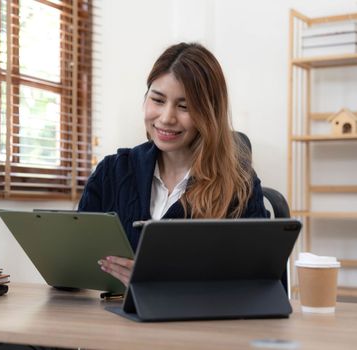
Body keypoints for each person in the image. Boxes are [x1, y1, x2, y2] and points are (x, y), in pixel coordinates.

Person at [78, 42, 269, 287]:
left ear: (209, 114)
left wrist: (165, 281)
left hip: (196, 322)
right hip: (114, 319)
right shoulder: (111, 172)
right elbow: (74, 267)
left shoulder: (240, 185)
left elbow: (261, 284)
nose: (167, 118)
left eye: (184, 106)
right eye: (157, 100)